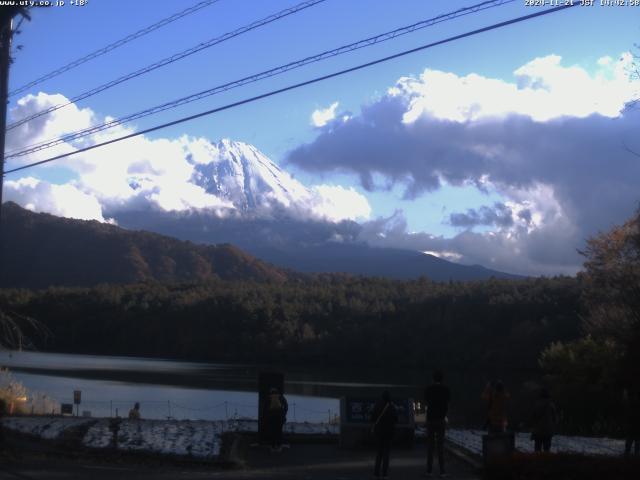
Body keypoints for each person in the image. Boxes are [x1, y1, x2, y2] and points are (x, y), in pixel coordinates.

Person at [424, 370, 451, 478]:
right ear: (442, 379)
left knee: (430, 446)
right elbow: (448, 403)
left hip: (431, 419)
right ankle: (442, 471)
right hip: (441, 419)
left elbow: (426, 401)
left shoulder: (429, 389)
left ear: (433, 378)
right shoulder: (446, 390)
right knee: (440, 446)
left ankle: (429, 470)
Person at [371, 390, 398, 479]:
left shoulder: (377, 405)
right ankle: (385, 474)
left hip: (379, 432)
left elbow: (372, 418)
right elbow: (396, 419)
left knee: (379, 453)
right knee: (386, 453)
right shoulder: (392, 407)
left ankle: (376, 473)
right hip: (389, 432)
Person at [530, 388, 557, 453]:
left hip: (538, 430)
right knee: (546, 449)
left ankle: (536, 461)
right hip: (548, 431)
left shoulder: (537, 404)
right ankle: (545, 461)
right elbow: (555, 418)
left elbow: (533, 417)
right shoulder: (551, 405)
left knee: (537, 449)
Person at [267, 387, 288, 452]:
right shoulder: (281, 397)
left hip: (272, 417)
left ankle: (273, 446)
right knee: (279, 431)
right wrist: (284, 414)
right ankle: (279, 446)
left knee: (272, 431)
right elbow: (286, 406)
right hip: (280, 417)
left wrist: (268, 415)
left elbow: (266, 407)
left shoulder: (269, 397)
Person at [624, 388, 640, 457]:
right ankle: (633, 453)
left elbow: (628, 414)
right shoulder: (632, 404)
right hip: (635, 423)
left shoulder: (631, 404)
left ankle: (629, 453)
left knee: (632, 439)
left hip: (633, 423)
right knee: (635, 439)